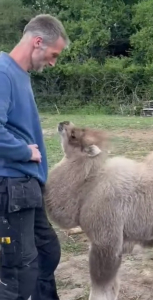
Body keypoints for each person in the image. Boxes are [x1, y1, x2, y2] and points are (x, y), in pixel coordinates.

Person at [0, 14, 69, 300]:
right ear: (38, 42)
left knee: (46, 250)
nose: (53, 62)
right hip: (11, 185)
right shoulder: (3, 71)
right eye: (53, 54)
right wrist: (23, 151)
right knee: (18, 269)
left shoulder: (18, 74)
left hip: (27, 186)